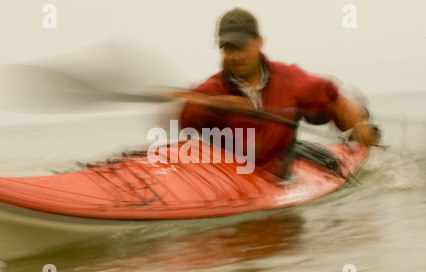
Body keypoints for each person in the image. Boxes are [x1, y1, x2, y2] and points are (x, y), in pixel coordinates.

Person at [163, 8, 380, 182]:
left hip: (280, 174)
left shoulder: (291, 80)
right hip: (233, 178)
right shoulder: (210, 90)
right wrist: (209, 104)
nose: (235, 56)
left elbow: (334, 100)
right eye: (227, 48)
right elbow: (183, 120)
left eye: (240, 46)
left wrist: (358, 122)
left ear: (258, 42)